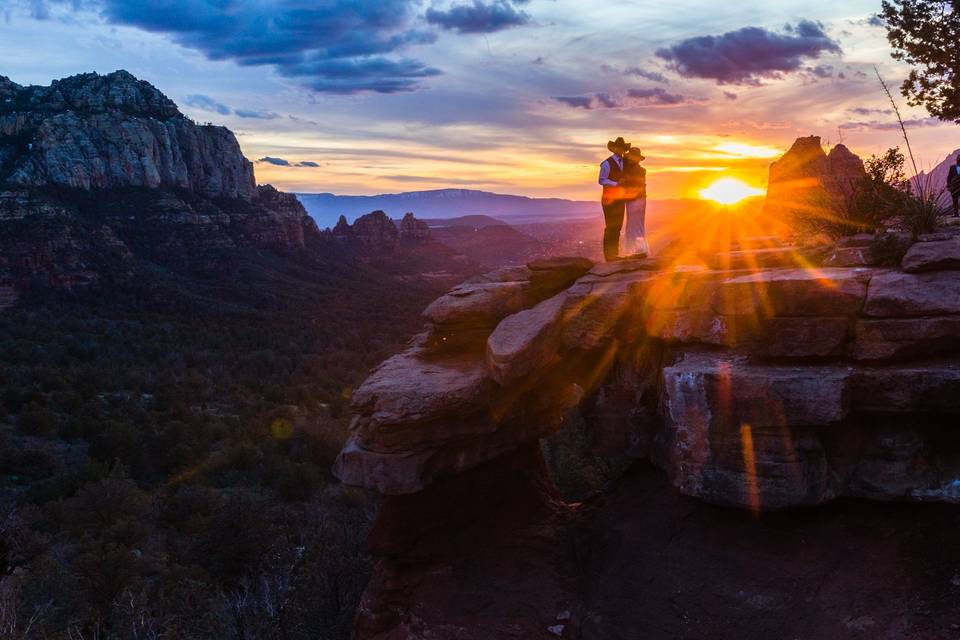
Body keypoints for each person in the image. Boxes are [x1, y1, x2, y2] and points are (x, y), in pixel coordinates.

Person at [598, 137, 631, 261]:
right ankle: (609, 255)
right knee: (611, 226)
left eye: (622, 148)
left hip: (619, 198)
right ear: (614, 148)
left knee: (617, 226)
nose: (620, 150)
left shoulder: (623, 162)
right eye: (618, 148)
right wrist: (616, 183)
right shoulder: (606, 163)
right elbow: (601, 180)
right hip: (609, 199)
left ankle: (614, 254)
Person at [621, 147, 648, 257]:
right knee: (636, 226)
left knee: (634, 226)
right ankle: (638, 251)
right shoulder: (637, 169)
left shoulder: (636, 170)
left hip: (636, 200)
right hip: (638, 200)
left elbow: (634, 185)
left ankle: (639, 251)